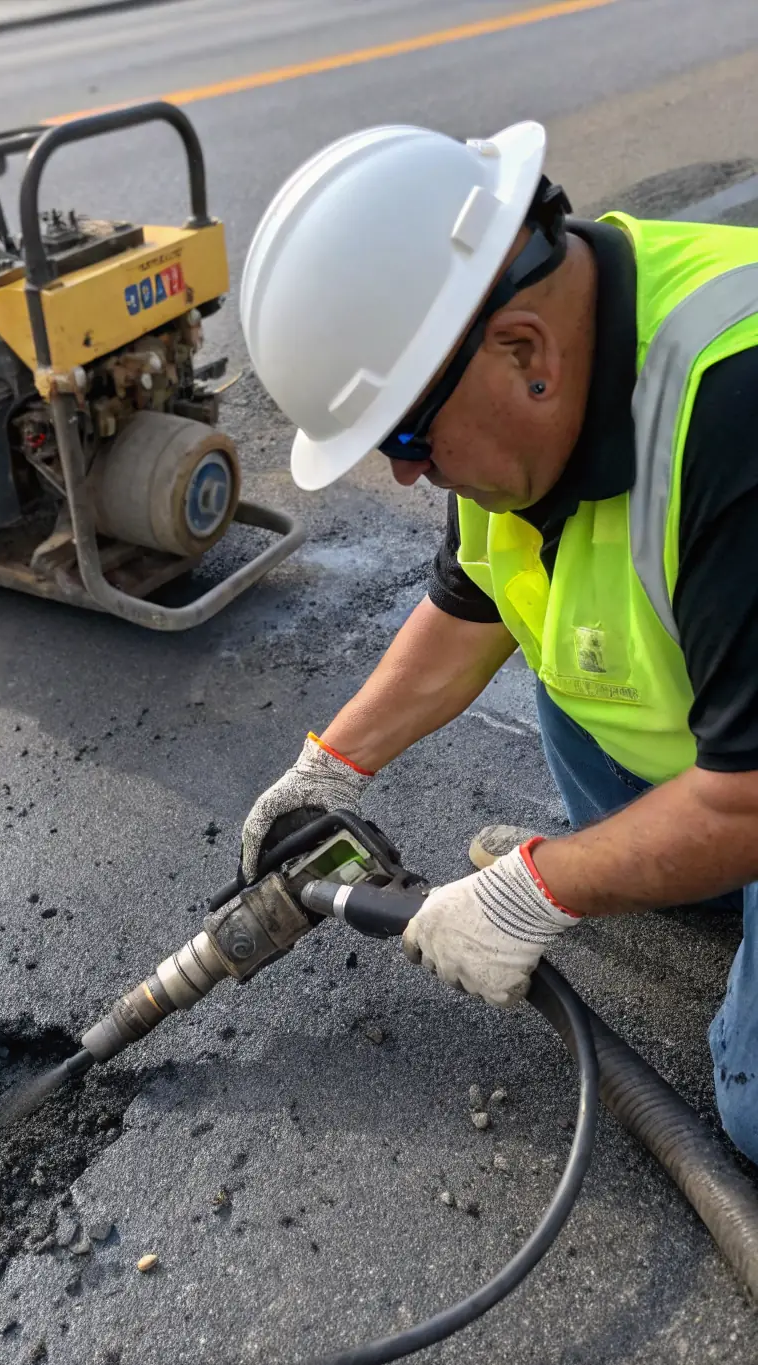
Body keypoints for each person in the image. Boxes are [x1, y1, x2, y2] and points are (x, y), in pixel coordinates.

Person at [237, 121, 758, 1164]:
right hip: (728, 728)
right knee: (571, 632)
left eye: (405, 439)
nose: (402, 474)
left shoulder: (732, 408)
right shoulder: (530, 368)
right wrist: (329, 769)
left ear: (523, 349)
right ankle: (700, 869)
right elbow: (473, 600)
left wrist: (541, 885)